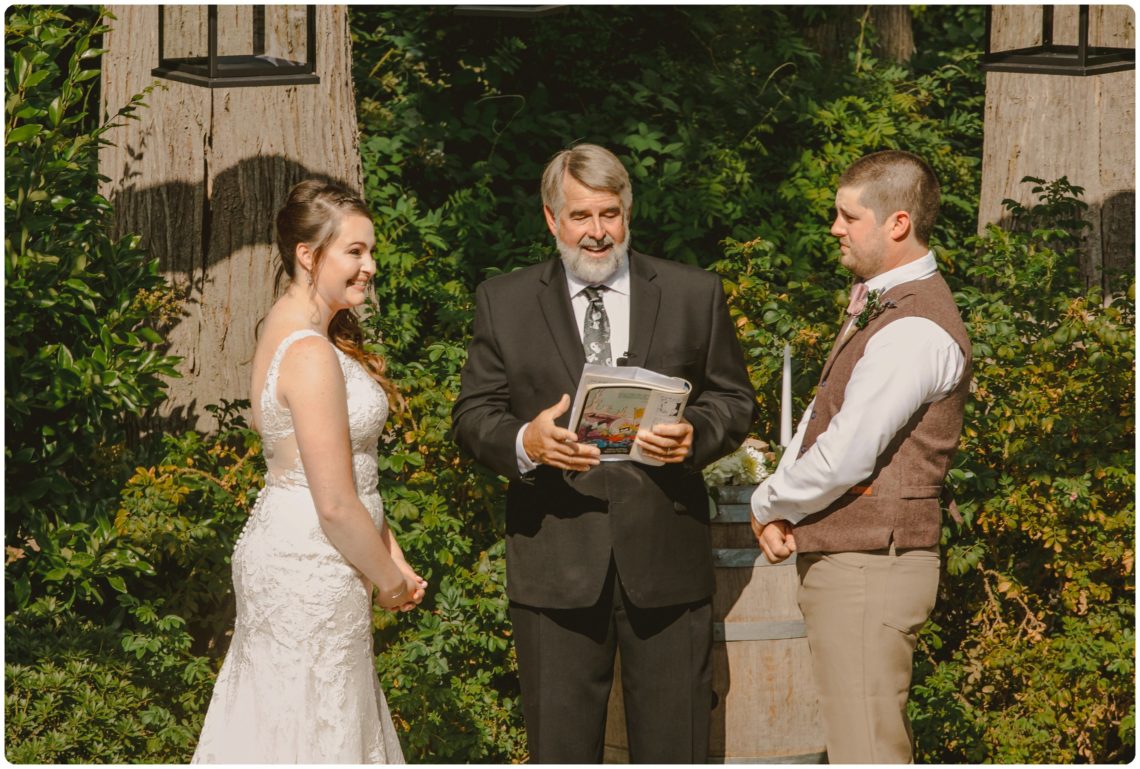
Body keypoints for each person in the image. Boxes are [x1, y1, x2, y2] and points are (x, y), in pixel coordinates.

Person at [452, 144, 756, 763]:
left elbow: (734, 397)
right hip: (553, 560)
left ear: (628, 214)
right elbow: (472, 416)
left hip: (666, 557)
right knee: (562, 752)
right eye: (581, 216)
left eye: (610, 214)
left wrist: (694, 433)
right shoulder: (504, 301)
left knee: (677, 750)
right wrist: (526, 442)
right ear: (551, 219)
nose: (597, 233)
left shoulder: (692, 292)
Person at [192, 180, 427, 763]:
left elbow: (353, 477)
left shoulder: (293, 329)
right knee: (316, 731)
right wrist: (390, 583)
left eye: (371, 252)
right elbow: (336, 504)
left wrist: (390, 553)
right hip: (313, 566)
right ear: (307, 254)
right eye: (354, 251)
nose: (370, 265)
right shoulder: (311, 352)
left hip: (308, 552)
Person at [750, 150, 971, 763]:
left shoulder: (914, 327)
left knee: (866, 752)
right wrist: (783, 505)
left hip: (872, 567)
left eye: (848, 215)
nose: (834, 227)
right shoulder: (886, 303)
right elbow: (825, 417)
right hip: (857, 562)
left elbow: (847, 453)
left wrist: (766, 500)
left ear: (896, 223)